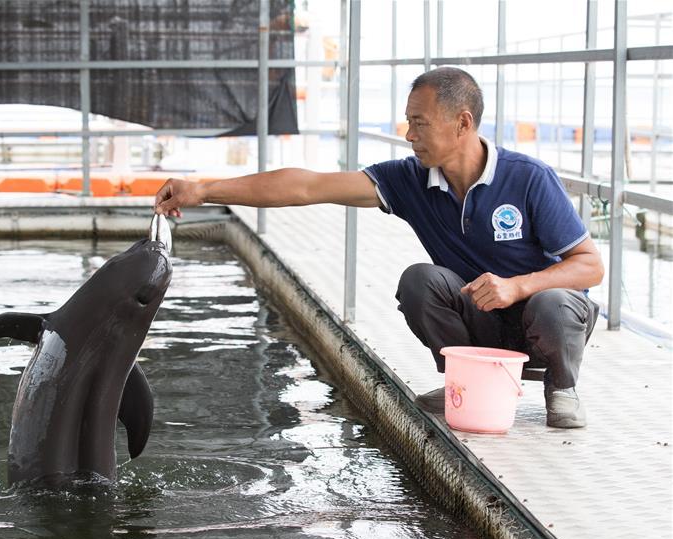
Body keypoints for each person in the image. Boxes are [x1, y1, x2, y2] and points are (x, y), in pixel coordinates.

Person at [153, 67, 604, 429]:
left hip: (545, 324)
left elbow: (589, 266)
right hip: (482, 316)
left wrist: (517, 286)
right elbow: (307, 186)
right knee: (420, 281)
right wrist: (204, 190)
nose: (409, 135)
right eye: (409, 122)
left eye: (420, 123)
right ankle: (465, 382)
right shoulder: (410, 179)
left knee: (552, 300)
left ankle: (562, 389)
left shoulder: (527, 177)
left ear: (463, 123)